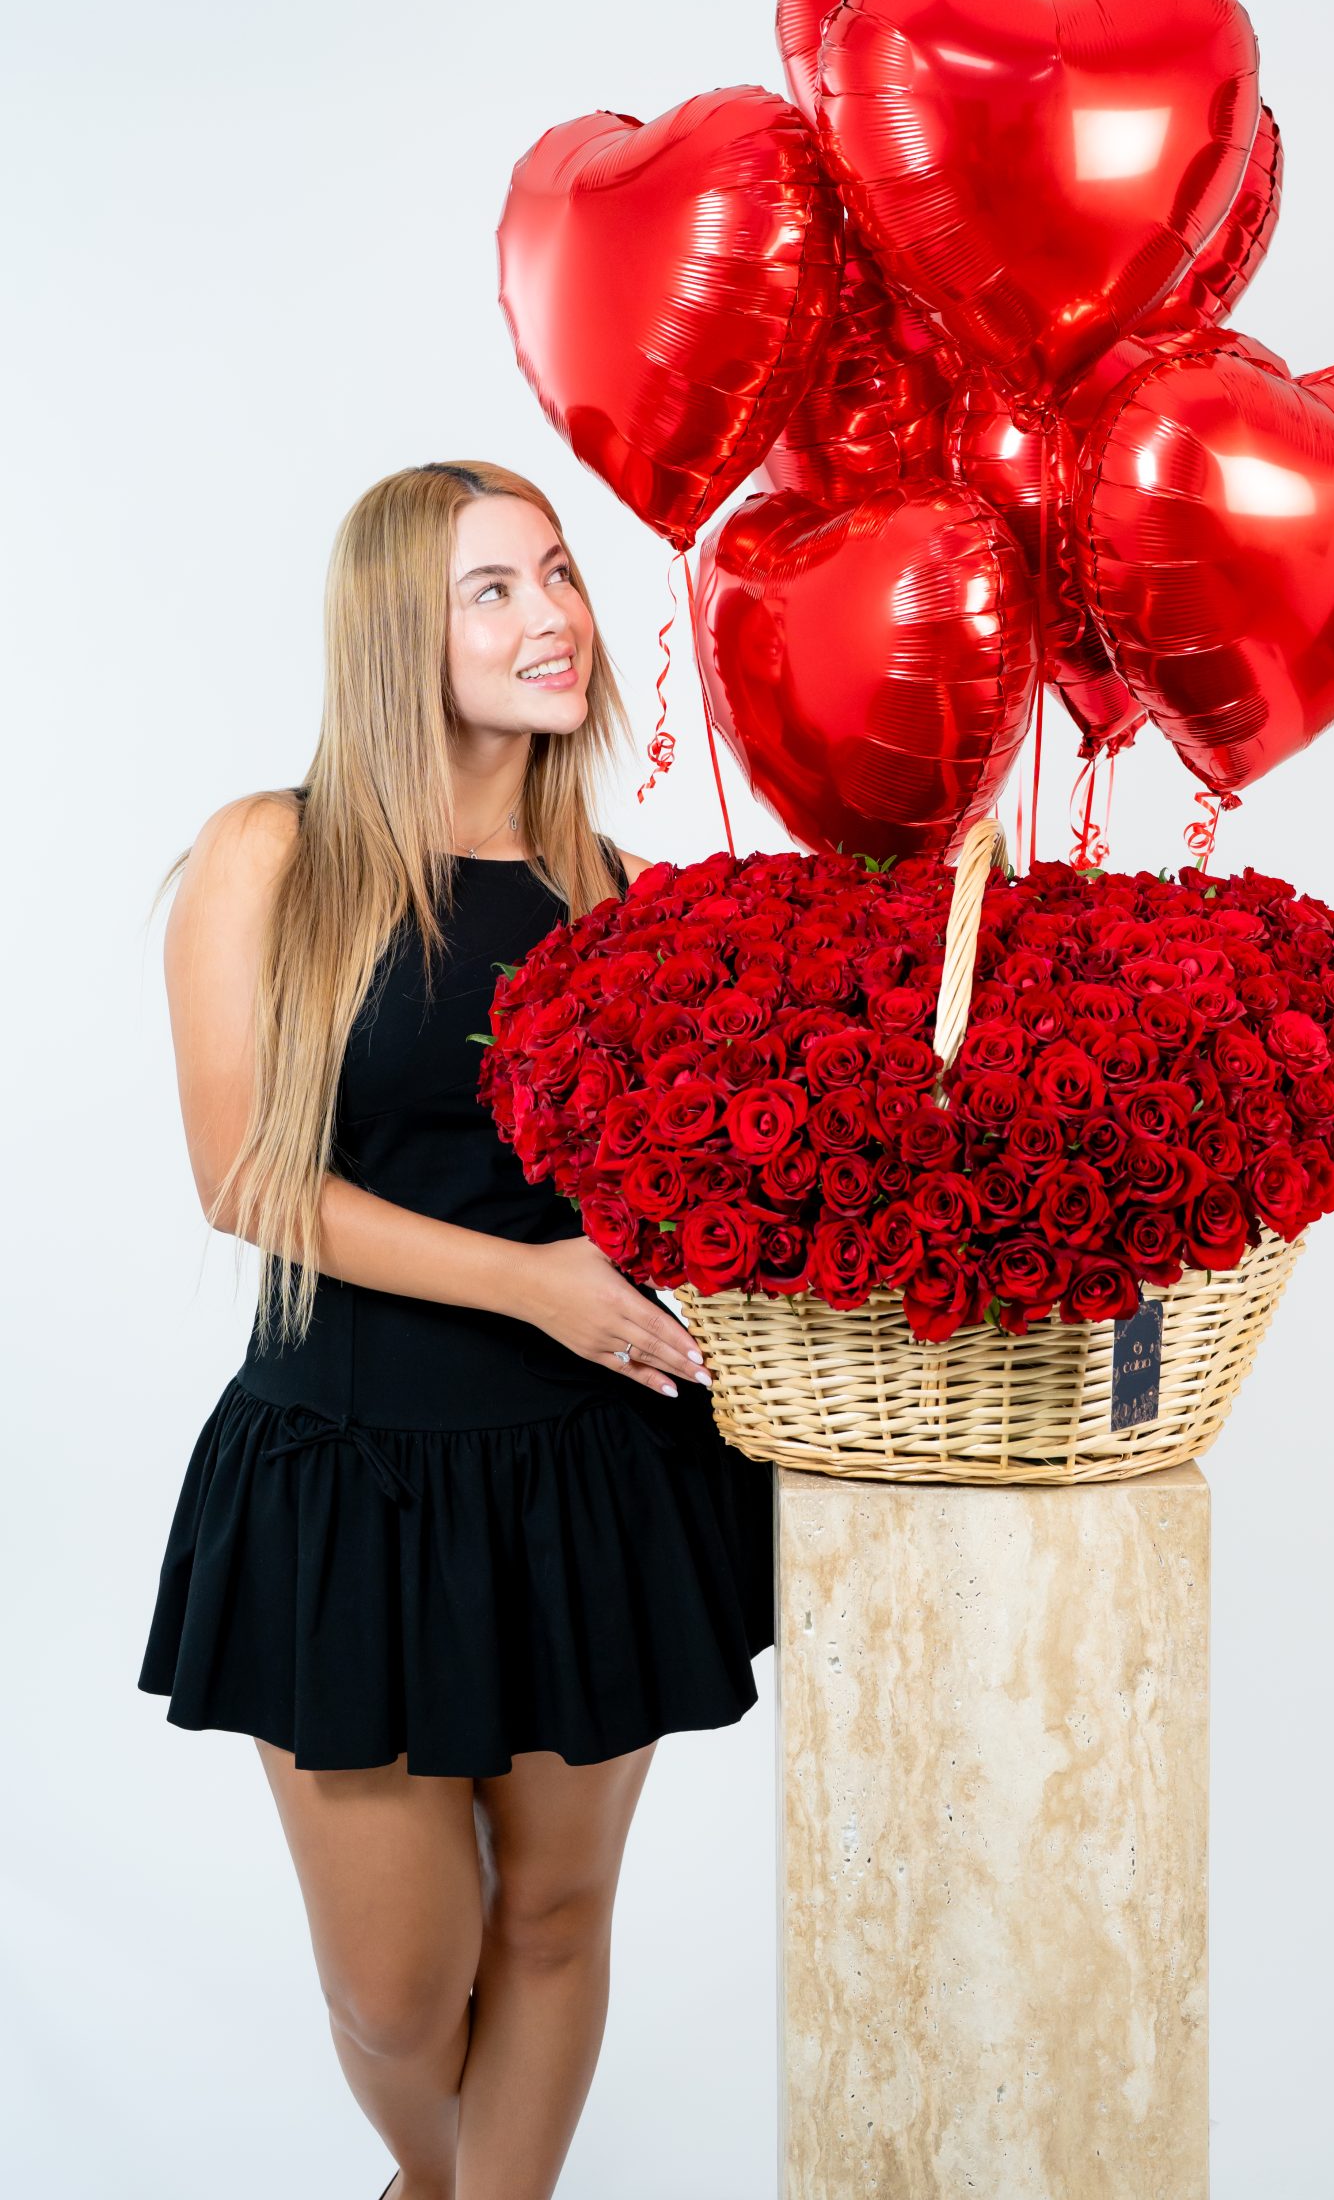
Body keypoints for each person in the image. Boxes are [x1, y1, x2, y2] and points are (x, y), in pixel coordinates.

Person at [138, 461, 774, 2200]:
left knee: (558, 1920)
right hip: (346, 1474)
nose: (550, 617)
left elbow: (674, 1199)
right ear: (393, 630)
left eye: (558, 575)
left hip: (593, 1475)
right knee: (397, 1995)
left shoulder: (616, 894)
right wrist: (538, 1285)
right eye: (491, 589)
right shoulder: (273, 851)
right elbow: (245, 1180)